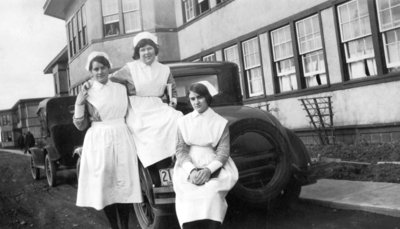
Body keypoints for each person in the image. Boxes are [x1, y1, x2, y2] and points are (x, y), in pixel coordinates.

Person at [73, 51, 142, 229]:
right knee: (106, 186)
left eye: (103, 67)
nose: (100, 72)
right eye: (95, 69)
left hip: (121, 136)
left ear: (108, 68)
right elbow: (80, 125)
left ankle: (125, 226)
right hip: (99, 140)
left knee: (124, 185)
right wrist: (79, 103)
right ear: (91, 71)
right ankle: (114, 226)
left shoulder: (121, 88)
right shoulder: (87, 93)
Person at [109, 31, 182, 168]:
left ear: (155, 50)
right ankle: (155, 164)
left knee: (178, 118)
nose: (146, 52)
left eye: (149, 48)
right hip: (137, 109)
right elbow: (110, 80)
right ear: (138, 52)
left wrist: (172, 105)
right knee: (146, 130)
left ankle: (177, 157)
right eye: (142, 50)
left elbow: (171, 89)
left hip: (158, 106)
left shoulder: (164, 69)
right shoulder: (130, 68)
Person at [173, 83, 239, 229]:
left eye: (200, 97)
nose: (196, 102)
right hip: (188, 164)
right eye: (192, 99)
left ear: (207, 98)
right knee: (188, 196)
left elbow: (223, 152)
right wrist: (192, 171)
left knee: (212, 194)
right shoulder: (183, 121)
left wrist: (208, 170)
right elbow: (180, 150)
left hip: (214, 163)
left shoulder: (220, 122)